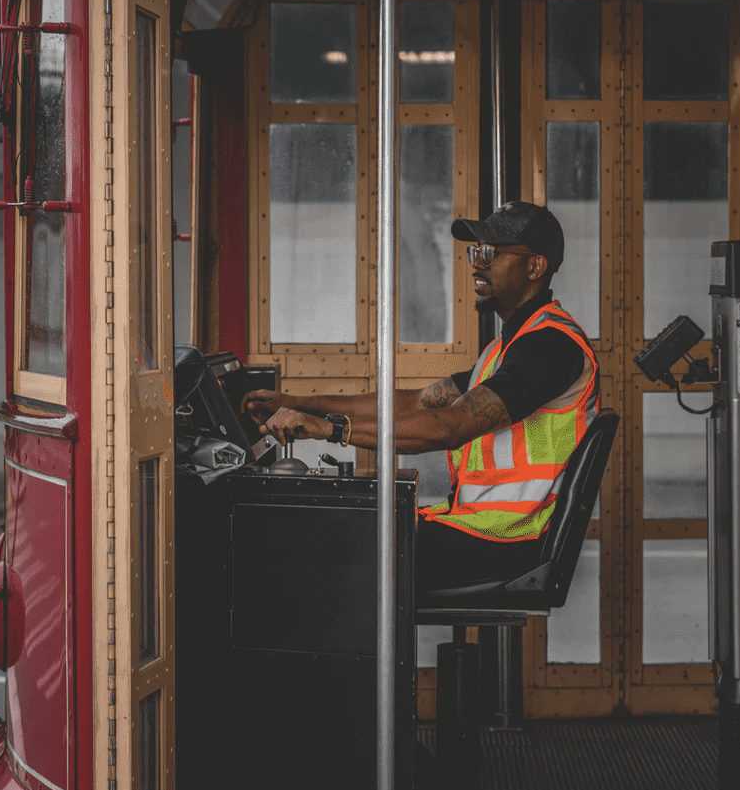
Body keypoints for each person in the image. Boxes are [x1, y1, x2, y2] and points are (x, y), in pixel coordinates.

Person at [242, 201, 599, 590]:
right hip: (483, 529)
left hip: (510, 541)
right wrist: (297, 404)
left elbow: (449, 426)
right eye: (474, 252)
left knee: (333, 542)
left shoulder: (549, 347)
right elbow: (416, 402)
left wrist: (332, 429)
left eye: (490, 253)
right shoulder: (507, 350)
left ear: (535, 267)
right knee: (343, 528)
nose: (477, 264)